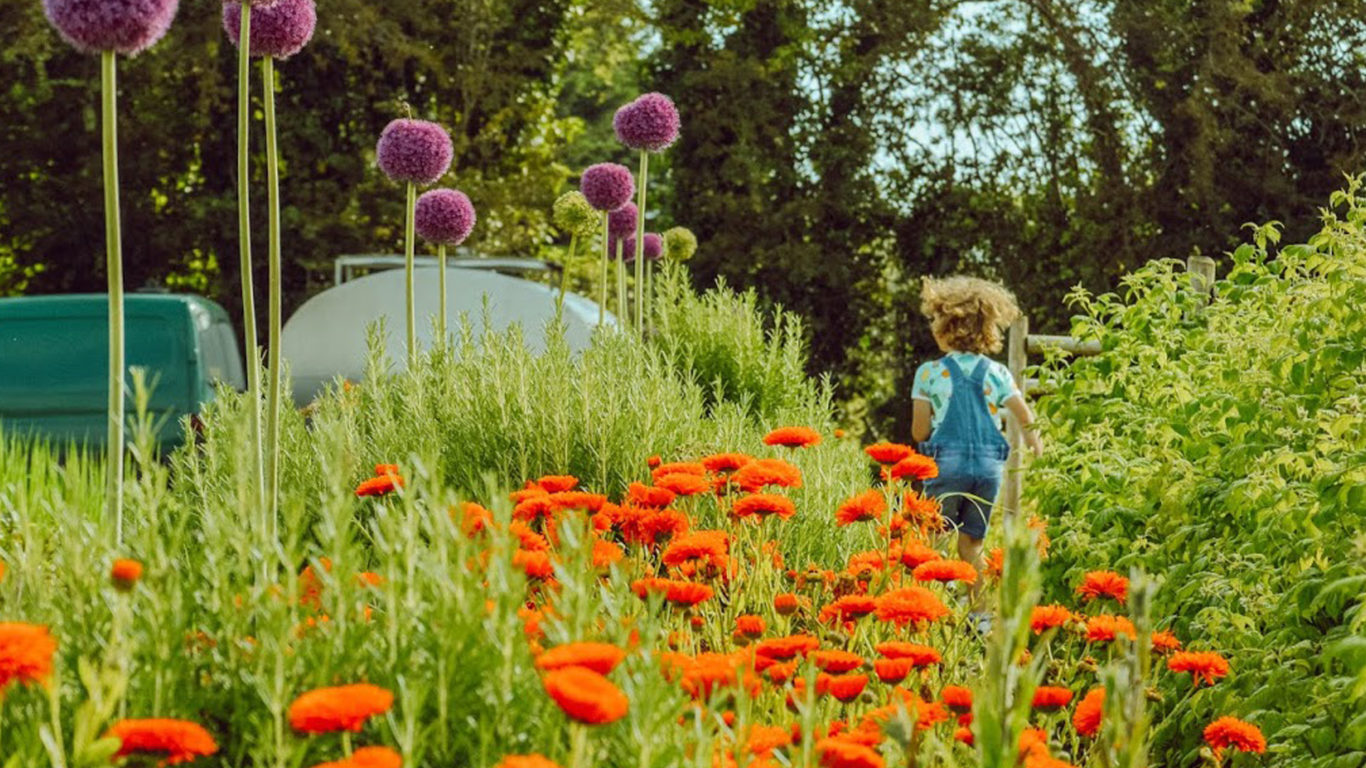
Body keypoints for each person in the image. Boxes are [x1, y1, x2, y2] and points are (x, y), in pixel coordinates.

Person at [910, 275, 1043, 632]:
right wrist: (1037, 448)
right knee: (973, 544)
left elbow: (919, 431)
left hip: (947, 464)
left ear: (945, 325)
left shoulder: (929, 373)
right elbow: (1025, 418)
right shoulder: (997, 372)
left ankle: (923, 610)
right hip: (987, 468)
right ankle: (980, 618)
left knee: (933, 538)